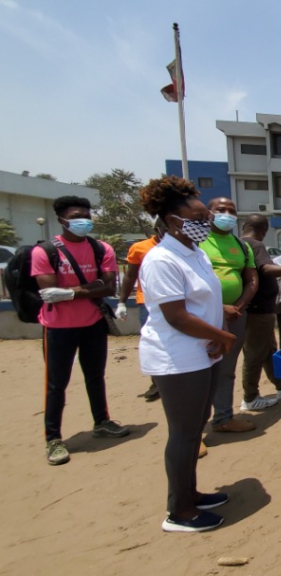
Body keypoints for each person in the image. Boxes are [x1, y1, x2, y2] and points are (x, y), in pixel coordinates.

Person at [137, 176, 238, 532]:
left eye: (205, 219)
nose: (206, 224)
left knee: (195, 428)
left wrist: (218, 324)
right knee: (183, 433)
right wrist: (223, 336)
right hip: (178, 358)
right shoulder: (161, 260)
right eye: (198, 220)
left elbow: (202, 299)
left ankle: (190, 493)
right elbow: (177, 316)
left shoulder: (194, 253)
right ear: (172, 222)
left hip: (204, 350)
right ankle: (179, 512)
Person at [32, 196, 129, 466]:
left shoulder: (101, 249)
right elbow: (48, 293)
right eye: (77, 216)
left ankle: (102, 422)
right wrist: (91, 287)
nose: (84, 220)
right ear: (62, 219)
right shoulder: (46, 251)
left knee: (95, 376)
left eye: (87, 214)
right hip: (58, 328)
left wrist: (68, 292)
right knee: (56, 384)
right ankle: (53, 438)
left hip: (93, 323)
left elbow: (109, 287)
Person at [198, 198, 258, 433]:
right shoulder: (196, 243)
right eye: (220, 210)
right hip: (201, 315)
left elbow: (252, 279)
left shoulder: (241, 245)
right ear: (208, 213)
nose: (227, 214)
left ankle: (223, 418)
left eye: (232, 211)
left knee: (226, 368)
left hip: (235, 315)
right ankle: (196, 430)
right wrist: (220, 306)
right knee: (198, 371)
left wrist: (239, 306)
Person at [239, 215, 281, 410]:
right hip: (258, 310)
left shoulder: (239, 244)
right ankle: (250, 397)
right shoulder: (255, 245)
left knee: (268, 349)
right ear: (264, 230)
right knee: (254, 353)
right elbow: (267, 269)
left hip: (257, 308)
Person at [116, 220, 167, 402]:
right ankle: (157, 383)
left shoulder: (185, 246)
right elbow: (130, 276)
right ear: (157, 229)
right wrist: (122, 302)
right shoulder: (140, 248)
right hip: (148, 303)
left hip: (178, 301)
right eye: (165, 229)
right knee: (154, 343)